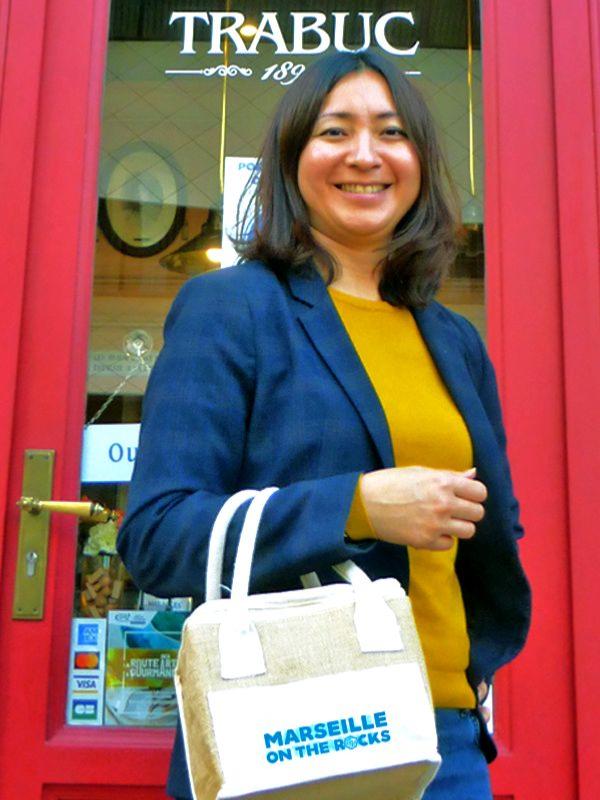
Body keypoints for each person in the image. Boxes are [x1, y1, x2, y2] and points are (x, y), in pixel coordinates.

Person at [117, 49, 531, 800]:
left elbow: (490, 524)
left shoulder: (452, 339)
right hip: (293, 731)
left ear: (419, 161)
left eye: (391, 133)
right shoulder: (230, 308)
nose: (366, 155)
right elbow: (157, 537)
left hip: (447, 738)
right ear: (292, 160)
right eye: (335, 132)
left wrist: (478, 664)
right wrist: (357, 506)